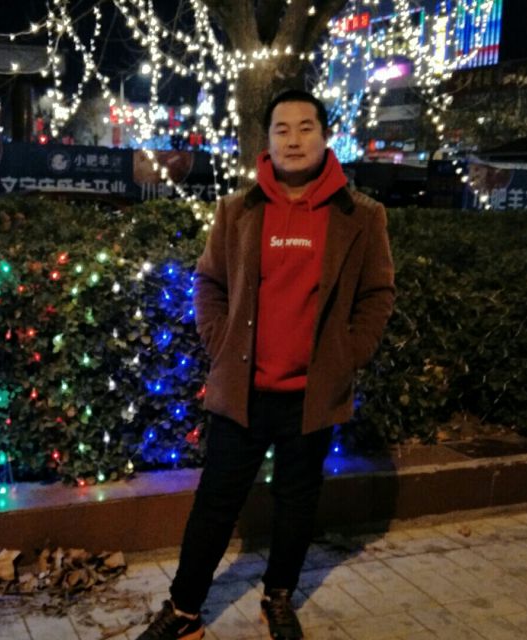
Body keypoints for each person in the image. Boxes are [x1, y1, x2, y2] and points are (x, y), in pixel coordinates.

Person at [136, 89, 395, 640]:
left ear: (325, 136)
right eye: (282, 129)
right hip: (243, 389)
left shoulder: (362, 215)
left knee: (296, 503)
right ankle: (184, 609)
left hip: (312, 394)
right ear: (268, 140)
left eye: (305, 127)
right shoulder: (238, 210)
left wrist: (347, 356)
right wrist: (220, 341)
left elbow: (377, 294)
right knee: (215, 502)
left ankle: (278, 597)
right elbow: (209, 282)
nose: (294, 139)